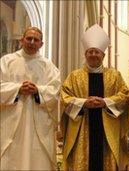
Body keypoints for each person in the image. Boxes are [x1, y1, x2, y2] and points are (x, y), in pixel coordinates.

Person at [61, 24, 129, 170]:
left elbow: (125, 95)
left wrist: (105, 102)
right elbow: (64, 97)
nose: (93, 55)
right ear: (85, 54)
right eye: (90, 52)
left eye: (97, 52)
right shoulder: (75, 76)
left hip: (107, 130)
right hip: (82, 130)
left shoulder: (114, 75)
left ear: (103, 55)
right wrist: (83, 103)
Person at [0, 27, 61, 170]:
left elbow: (55, 90)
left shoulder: (48, 65)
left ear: (41, 44)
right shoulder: (7, 61)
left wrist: (37, 90)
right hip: (11, 122)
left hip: (38, 124)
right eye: (29, 38)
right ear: (22, 40)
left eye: (36, 40)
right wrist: (17, 89)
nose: (32, 42)